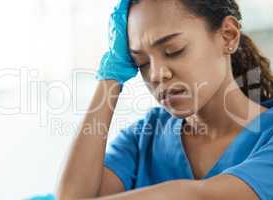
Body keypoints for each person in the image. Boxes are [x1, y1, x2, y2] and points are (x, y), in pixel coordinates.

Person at [56, 0, 273, 199]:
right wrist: (110, 76)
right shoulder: (145, 136)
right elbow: (71, 196)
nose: (156, 74)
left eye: (174, 51)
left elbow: (197, 196)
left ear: (228, 35)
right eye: (141, 63)